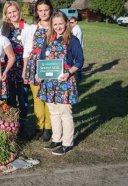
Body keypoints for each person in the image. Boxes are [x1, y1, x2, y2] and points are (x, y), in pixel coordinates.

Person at [39, 11, 84, 155]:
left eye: (60, 23)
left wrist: (69, 73)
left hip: (64, 81)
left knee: (65, 112)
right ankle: (56, 139)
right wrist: (39, 74)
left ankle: (67, 142)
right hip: (49, 82)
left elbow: (79, 61)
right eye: (55, 24)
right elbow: (41, 59)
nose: (58, 27)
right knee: (53, 112)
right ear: (52, 25)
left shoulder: (72, 40)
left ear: (66, 23)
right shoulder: (48, 39)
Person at [22, 0, 53, 142]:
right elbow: (27, 50)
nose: (43, 13)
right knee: (37, 98)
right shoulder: (32, 28)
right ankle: (38, 127)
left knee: (49, 98)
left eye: (46, 10)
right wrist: (24, 70)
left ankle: (48, 128)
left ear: (50, 10)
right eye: (40, 10)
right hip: (34, 65)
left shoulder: (55, 26)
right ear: (37, 12)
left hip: (50, 65)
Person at [0, 1, 30, 122]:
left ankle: (23, 124)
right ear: (6, 15)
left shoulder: (27, 28)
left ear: (19, 11)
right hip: (9, 65)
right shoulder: (4, 28)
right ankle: (12, 123)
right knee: (10, 96)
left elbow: (28, 50)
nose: (12, 14)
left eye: (14, 11)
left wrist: (25, 70)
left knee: (22, 96)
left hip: (22, 64)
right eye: (9, 13)